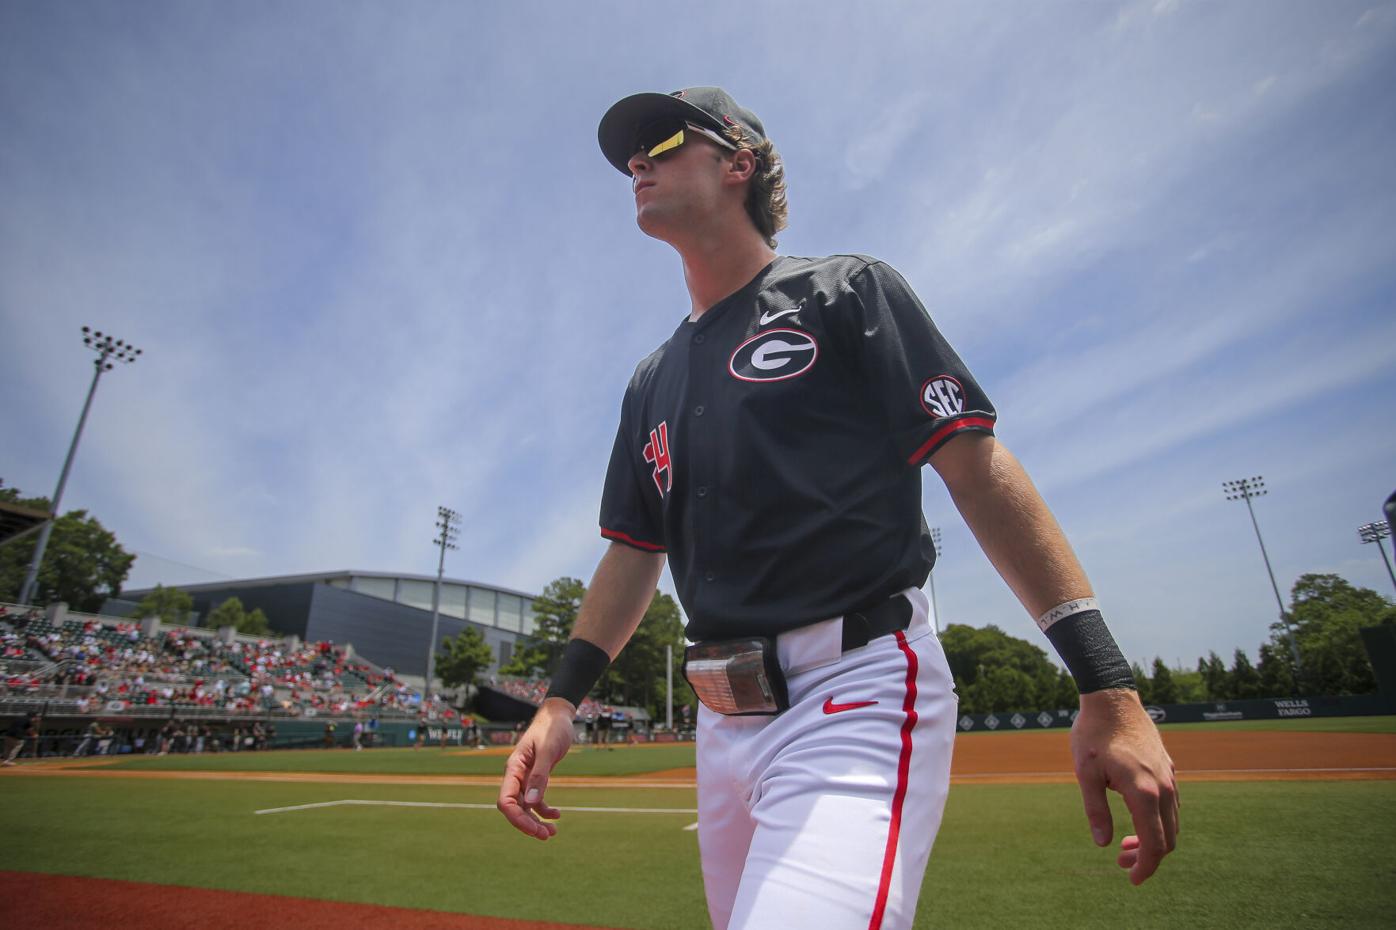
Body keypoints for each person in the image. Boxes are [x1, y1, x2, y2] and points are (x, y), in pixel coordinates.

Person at [496, 87, 1179, 930]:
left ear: (739, 163)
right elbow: (635, 550)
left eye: (664, 140)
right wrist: (560, 701)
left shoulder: (846, 291)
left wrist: (1106, 683)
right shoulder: (651, 379)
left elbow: (976, 471)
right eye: (631, 154)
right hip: (722, 721)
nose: (637, 160)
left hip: (857, 685)